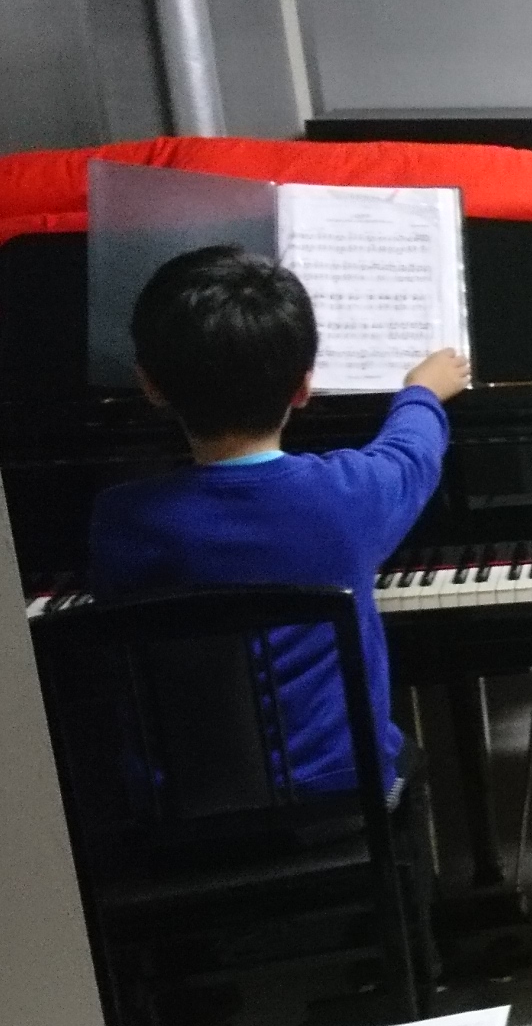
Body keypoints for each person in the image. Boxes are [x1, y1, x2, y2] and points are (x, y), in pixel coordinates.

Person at [88, 246, 468, 795]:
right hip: (339, 798)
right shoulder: (347, 494)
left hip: (184, 809)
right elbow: (412, 453)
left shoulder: (119, 519)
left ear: (150, 385)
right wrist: (421, 392)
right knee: (399, 752)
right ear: (303, 387)